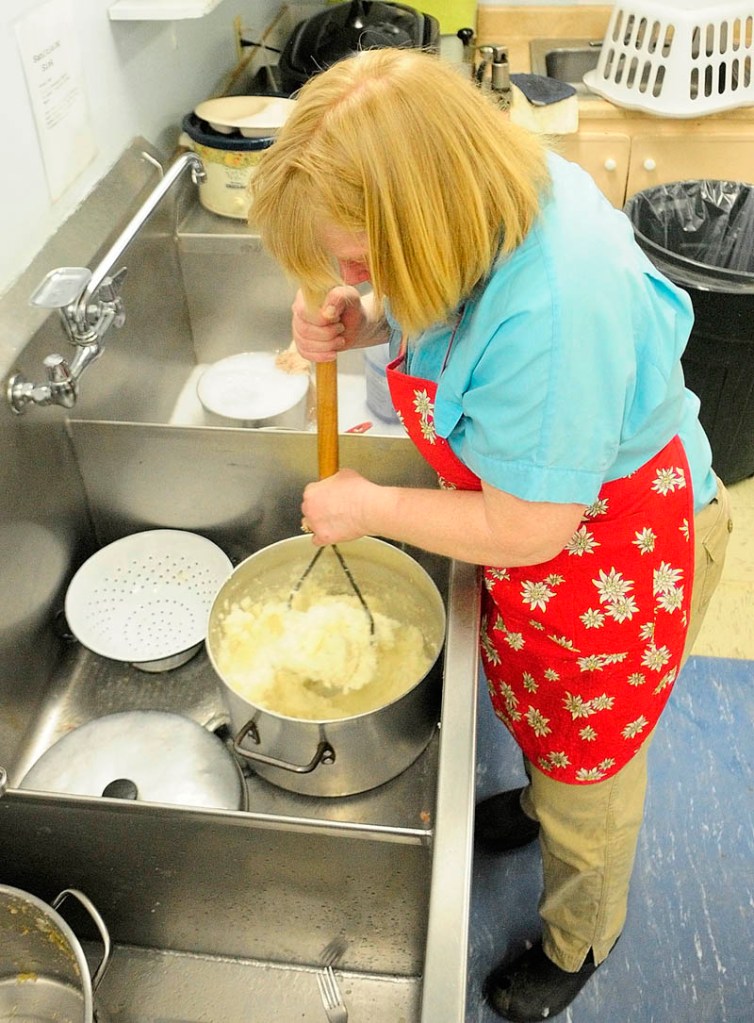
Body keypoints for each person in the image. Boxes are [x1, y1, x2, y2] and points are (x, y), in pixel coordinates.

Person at [250, 47, 732, 1022]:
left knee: (588, 780)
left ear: (421, 224)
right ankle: (537, 793)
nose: (349, 275)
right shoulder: (486, 186)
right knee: (536, 717)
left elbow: (525, 525)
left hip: (610, 554)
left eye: (357, 258)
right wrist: (360, 318)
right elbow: (437, 313)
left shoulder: (556, 305)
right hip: (550, 541)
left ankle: (579, 936)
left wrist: (370, 507)